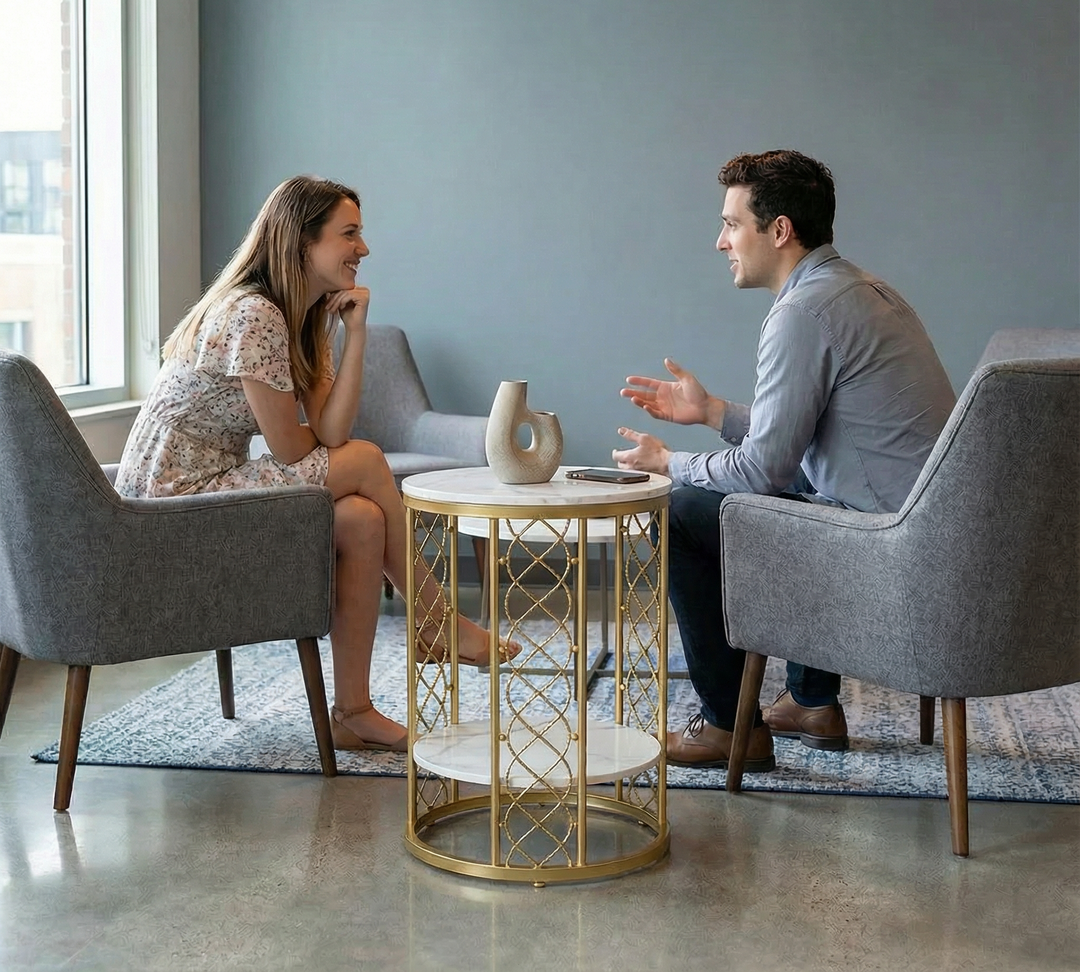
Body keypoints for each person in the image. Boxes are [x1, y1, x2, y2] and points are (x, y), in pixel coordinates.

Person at [116, 175, 519, 753]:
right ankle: (437, 621)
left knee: (362, 520)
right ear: (301, 242)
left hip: (204, 491)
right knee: (367, 461)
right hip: (168, 510)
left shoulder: (300, 317)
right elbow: (290, 449)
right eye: (349, 234)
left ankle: (352, 712)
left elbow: (330, 432)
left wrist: (353, 333)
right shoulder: (253, 314)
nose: (364, 248)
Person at [614, 150, 955, 770]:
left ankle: (726, 728)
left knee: (684, 510)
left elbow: (758, 472)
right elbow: (822, 440)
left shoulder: (801, 312)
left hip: (890, 552)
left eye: (731, 224)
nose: (721, 242)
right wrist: (714, 412)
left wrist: (668, 464)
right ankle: (811, 702)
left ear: (779, 230)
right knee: (804, 483)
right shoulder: (861, 290)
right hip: (928, 534)